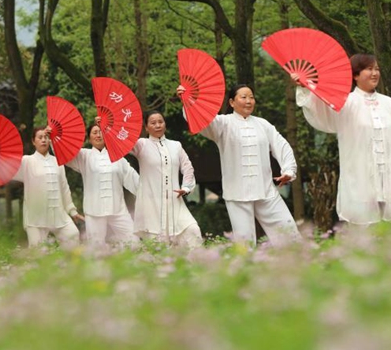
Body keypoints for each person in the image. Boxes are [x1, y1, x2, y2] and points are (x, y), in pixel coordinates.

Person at [293, 54, 391, 228]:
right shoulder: (346, 103)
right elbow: (321, 111)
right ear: (356, 75)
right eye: (369, 69)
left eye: (377, 69)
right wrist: (306, 87)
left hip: (390, 184)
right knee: (364, 237)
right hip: (358, 183)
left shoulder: (388, 104)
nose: (375, 73)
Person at [177, 84, 301, 246]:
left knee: (288, 233)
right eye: (243, 97)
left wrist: (289, 171)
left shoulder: (263, 125)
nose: (248, 101)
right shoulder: (222, 123)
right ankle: (246, 270)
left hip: (266, 191)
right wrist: (188, 101)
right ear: (232, 102)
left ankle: (297, 267)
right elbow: (202, 121)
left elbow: (281, 146)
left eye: (251, 97)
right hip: (237, 193)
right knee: (245, 243)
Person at [129, 111, 203, 249]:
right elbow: (121, 142)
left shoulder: (176, 145)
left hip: (175, 202)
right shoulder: (141, 145)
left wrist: (186, 187)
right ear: (146, 127)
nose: (158, 125)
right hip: (151, 204)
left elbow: (187, 167)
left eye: (160, 121)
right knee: (159, 245)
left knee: (193, 231)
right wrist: (104, 127)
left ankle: (197, 267)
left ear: (165, 124)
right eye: (153, 123)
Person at [66, 123, 139, 247]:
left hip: (118, 209)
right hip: (94, 210)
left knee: (133, 241)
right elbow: (65, 153)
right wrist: (53, 139)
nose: (98, 135)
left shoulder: (117, 157)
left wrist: (149, 193)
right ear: (89, 138)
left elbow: (132, 178)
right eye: (94, 133)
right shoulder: (84, 156)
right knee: (95, 247)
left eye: (101, 132)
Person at [13, 127, 83, 248]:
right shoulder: (27, 161)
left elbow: (64, 187)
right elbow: (9, 168)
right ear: (33, 141)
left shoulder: (57, 161)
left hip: (58, 213)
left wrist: (72, 210)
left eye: (46, 137)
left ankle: (67, 266)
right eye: (40, 138)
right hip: (36, 216)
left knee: (73, 235)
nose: (43, 140)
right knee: (37, 252)